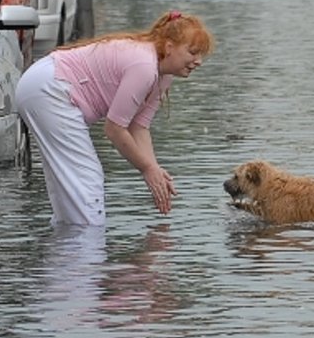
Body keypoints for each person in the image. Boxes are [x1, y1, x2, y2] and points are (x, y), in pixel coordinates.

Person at [16, 11, 216, 226]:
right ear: (169, 48)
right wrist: (146, 169)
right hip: (49, 87)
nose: (199, 61)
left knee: (72, 186)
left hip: (45, 85)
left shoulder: (163, 74)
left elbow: (139, 126)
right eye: (193, 52)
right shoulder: (145, 67)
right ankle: (87, 253)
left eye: (201, 55)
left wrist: (155, 172)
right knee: (86, 180)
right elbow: (114, 129)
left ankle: (69, 249)